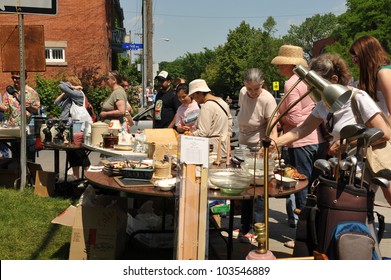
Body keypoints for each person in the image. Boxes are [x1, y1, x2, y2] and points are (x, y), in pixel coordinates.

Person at [273, 53, 391, 205]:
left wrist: (348, 142)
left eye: (315, 84)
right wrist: (275, 142)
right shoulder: (323, 104)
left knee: (356, 211)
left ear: (334, 79)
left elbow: (383, 133)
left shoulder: (358, 97)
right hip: (343, 169)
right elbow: (301, 130)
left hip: (364, 167)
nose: (311, 89)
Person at [271, 45, 328, 230]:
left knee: (302, 188)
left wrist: (281, 115)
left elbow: (294, 118)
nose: (279, 68)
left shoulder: (291, 83)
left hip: (301, 142)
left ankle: (305, 235)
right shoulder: (310, 81)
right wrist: (311, 112)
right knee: (316, 189)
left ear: (290, 64)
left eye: (281, 64)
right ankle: (316, 232)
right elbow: (318, 110)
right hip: (317, 140)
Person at [235, 68, 279, 242]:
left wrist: (268, 148)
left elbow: (273, 129)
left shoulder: (267, 99)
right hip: (243, 144)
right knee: (246, 188)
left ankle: (258, 228)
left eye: (256, 89)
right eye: (249, 88)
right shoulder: (242, 93)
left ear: (262, 84)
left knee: (259, 191)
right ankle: (245, 226)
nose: (252, 92)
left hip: (259, 146)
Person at [55, 76, 91, 180]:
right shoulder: (70, 96)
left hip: (77, 126)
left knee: (79, 152)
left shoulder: (78, 94)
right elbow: (56, 102)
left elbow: (61, 85)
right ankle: (76, 177)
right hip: (69, 126)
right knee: (71, 152)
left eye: (69, 83)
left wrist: (71, 88)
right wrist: (68, 91)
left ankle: (87, 177)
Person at [349, 35, 391, 121]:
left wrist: (385, 132)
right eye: (352, 59)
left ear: (366, 56)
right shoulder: (372, 76)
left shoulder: (384, 73)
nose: (354, 62)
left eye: (355, 58)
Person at [188, 79, 232, 157]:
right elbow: (229, 125)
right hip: (224, 147)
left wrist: (190, 135)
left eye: (193, 96)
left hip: (212, 150)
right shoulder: (222, 102)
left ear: (199, 93)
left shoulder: (206, 106)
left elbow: (203, 132)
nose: (193, 99)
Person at [2, 71, 40, 162]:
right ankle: (18, 175)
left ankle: (30, 176)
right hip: (14, 130)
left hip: (28, 131)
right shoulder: (8, 93)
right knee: (16, 159)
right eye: (13, 78)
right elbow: (5, 108)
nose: (15, 80)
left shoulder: (32, 92)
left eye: (17, 78)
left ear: (24, 77)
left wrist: (30, 107)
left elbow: (37, 110)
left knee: (29, 160)